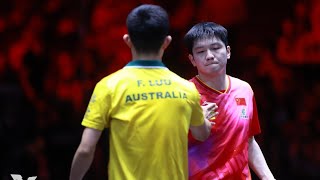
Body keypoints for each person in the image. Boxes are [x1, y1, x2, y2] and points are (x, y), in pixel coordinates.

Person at [69, 5, 217, 180]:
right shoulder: (186, 89)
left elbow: (86, 149)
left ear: (127, 40)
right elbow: (201, 134)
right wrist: (204, 118)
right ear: (167, 42)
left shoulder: (108, 86)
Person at [183, 22, 275, 180]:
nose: (210, 55)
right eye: (201, 51)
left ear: (228, 52)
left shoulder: (244, 90)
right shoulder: (184, 94)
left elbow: (249, 141)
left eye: (216, 48)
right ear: (192, 60)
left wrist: (268, 177)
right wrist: (194, 122)